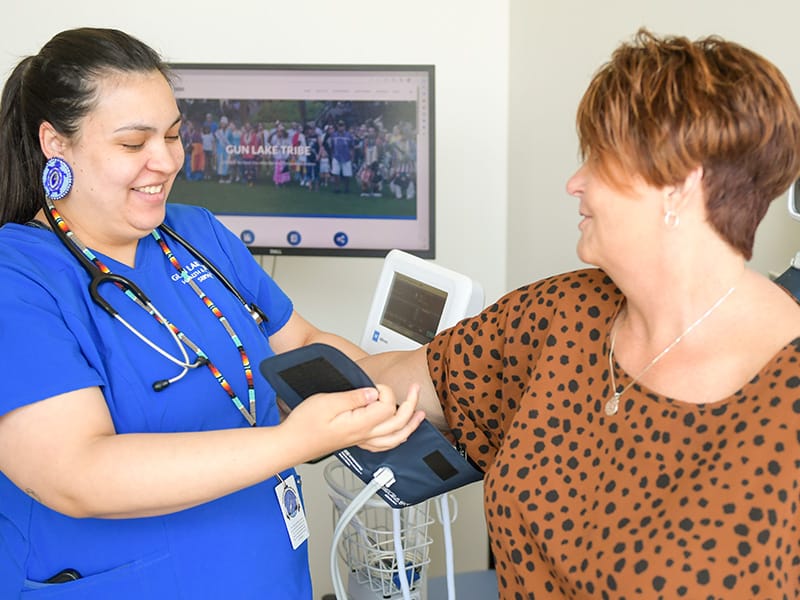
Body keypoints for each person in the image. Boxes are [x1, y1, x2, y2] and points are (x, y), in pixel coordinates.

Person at [360, 29, 800, 598]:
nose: (575, 182)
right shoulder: (565, 313)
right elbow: (396, 379)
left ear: (679, 186)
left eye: (599, 158)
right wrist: (261, 339)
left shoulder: (785, 399)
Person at [0, 28, 423, 599]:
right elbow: (77, 473)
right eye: (133, 143)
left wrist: (408, 383)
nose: (167, 160)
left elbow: (301, 343)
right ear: (56, 143)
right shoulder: (18, 276)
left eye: (174, 135)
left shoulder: (196, 233)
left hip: (269, 576)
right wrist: (294, 441)